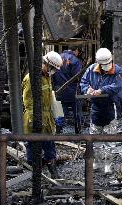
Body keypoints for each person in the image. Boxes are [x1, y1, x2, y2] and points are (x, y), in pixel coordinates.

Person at [80, 48, 122, 172]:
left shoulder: (117, 71)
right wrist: (87, 90)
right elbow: (83, 82)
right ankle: (98, 162)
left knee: (110, 139)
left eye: (107, 64)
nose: (105, 66)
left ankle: (108, 165)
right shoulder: (92, 69)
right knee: (95, 138)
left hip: (110, 106)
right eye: (103, 64)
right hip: (96, 107)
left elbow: (118, 86)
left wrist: (102, 90)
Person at [22, 51, 63, 179]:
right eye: (53, 68)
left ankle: (54, 174)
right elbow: (28, 102)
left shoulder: (47, 77)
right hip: (34, 117)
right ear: (46, 64)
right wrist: (36, 119)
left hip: (47, 117)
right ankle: (33, 175)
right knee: (32, 146)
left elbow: (51, 96)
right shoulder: (31, 78)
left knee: (49, 144)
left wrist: (58, 114)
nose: (54, 71)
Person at [52, 46, 83, 134]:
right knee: (77, 113)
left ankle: (57, 133)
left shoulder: (58, 57)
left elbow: (52, 75)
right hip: (73, 92)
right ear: (76, 50)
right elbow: (77, 77)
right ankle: (78, 134)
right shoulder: (75, 61)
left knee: (60, 113)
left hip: (59, 91)